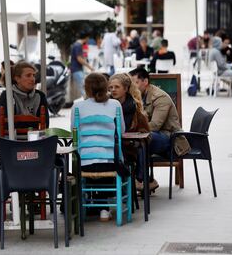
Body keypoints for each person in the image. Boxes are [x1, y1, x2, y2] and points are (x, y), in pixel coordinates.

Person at [71, 73, 125, 221]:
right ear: (106, 87)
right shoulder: (115, 105)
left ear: (86, 88)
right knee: (110, 159)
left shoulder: (77, 107)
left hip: (85, 165)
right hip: (110, 164)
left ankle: (89, 205)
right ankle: (103, 208)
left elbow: (73, 134)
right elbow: (122, 131)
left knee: (90, 162)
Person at [129, 67, 190, 159]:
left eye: (135, 83)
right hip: (152, 135)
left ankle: (140, 173)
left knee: (140, 141)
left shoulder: (160, 97)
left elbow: (155, 125)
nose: (132, 88)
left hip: (170, 139)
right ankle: (136, 173)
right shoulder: (137, 96)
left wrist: (132, 129)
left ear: (145, 82)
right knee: (131, 144)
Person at [109, 73, 153, 190]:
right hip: (107, 146)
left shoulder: (134, 108)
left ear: (126, 88)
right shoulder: (104, 106)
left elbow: (145, 134)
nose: (113, 90)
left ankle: (139, 179)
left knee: (141, 146)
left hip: (127, 148)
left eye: (117, 87)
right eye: (111, 87)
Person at [0, 61, 49, 128]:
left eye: (33, 75)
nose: (32, 79)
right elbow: (4, 123)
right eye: (28, 75)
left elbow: (46, 123)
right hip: (11, 137)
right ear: (17, 79)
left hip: (35, 137)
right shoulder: (7, 95)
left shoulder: (40, 96)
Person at [70, 31, 94, 97]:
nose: (88, 40)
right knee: (84, 89)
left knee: (83, 88)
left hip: (76, 69)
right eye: (88, 38)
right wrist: (89, 67)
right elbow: (79, 59)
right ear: (86, 38)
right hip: (77, 69)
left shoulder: (76, 45)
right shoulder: (78, 45)